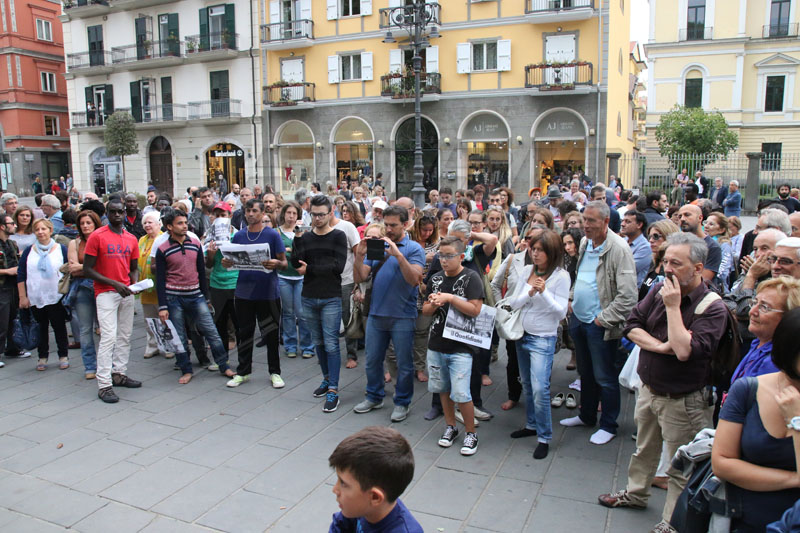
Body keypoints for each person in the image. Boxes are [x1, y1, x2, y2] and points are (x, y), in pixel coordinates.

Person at [600, 233, 727, 532]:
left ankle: (672, 522)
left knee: (682, 466)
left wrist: (672, 307)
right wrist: (658, 347)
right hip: (649, 389)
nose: (667, 268)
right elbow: (631, 325)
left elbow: (684, 350)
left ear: (698, 268)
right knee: (644, 449)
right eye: (665, 260)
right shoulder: (658, 289)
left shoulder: (712, 307)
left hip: (684, 400)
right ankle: (635, 493)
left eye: (676, 263)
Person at [712, 307, 800, 532]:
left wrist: (797, 421)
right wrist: (792, 479)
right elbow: (722, 463)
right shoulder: (748, 390)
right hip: (740, 519)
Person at [560, 200, 637, 445]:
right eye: (584, 220)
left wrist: (603, 320)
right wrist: (572, 298)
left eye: (591, 221)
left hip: (599, 324)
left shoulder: (619, 249)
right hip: (579, 320)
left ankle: (609, 425)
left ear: (605, 222)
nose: (586, 226)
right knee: (586, 374)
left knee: (605, 376)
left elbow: (628, 296)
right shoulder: (585, 242)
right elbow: (581, 276)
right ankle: (587, 415)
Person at [353, 206, 425, 423]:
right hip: (376, 313)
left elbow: (414, 279)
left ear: (405, 224)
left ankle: (402, 402)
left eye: (394, 225)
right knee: (372, 361)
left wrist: (398, 255)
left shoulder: (413, 248)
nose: (389, 229)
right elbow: (360, 277)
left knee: (404, 363)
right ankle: (374, 396)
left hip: (403, 315)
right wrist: (359, 256)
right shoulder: (378, 246)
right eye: (387, 224)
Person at [506, 230, 570, 460]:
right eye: (533, 249)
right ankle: (531, 425)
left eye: (540, 250)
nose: (535, 253)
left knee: (540, 387)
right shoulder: (526, 270)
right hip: (522, 334)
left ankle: (544, 436)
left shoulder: (561, 276)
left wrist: (543, 293)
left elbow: (561, 311)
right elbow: (513, 302)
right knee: (527, 383)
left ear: (551, 252)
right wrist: (530, 292)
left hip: (543, 337)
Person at [155, 209, 235, 384]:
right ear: (169, 227)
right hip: (173, 298)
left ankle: (224, 365)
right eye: (180, 223)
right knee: (180, 336)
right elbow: (160, 280)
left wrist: (206, 299)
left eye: (185, 223)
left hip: (196, 296)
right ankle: (186, 369)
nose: (185, 226)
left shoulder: (195, 243)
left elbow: (201, 271)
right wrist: (162, 306)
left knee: (211, 332)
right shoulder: (162, 249)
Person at [422, 235, 484, 456]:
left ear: (460, 256)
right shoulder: (436, 278)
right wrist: (434, 302)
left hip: (462, 345)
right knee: (442, 389)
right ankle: (451, 427)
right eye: (441, 255)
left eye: (449, 256)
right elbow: (425, 311)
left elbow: (475, 310)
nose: (444, 260)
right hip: (437, 342)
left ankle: (470, 432)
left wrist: (449, 298)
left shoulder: (471, 277)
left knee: (461, 393)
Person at [291, 195, 348, 412]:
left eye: (321, 214)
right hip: (309, 295)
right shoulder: (305, 238)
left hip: (330, 297)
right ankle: (326, 379)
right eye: (313, 214)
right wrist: (297, 238)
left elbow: (338, 266)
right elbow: (296, 262)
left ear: (331, 212)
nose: (317, 218)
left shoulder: (338, 236)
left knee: (332, 343)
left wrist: (311, 268)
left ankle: (333, 389)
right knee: (319, 343)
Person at [83, 199, 142, 403]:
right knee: (108, 336)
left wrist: (132, 283)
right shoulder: (97, 236)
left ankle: (119, 373)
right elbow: (88, 269)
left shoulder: (131, 238)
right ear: (107, 213)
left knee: (125, 335)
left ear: (125, 213)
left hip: (125, 292)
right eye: (113, 212)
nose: (117, 215)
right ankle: (104, 384)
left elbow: (133, 266)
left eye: (120, 212)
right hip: (105, 292)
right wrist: (114, 283)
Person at [224, 199, 287, 389]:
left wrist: (276, 263)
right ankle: (243, 372)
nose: (250, 214)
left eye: (254, 211)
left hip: (268, 292)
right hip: (244, 292)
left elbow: (284, 263)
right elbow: (231, 260)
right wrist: (226, 263)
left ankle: (274, 372)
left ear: (262, 213)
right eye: (247, 211)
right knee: (245, 333)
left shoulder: (272, 235)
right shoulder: (239, 236)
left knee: (271, 334)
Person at [328, 426, 422, 533]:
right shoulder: (359, 507)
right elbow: (339, 526)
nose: (335, 489)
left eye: (343, 483)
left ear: (375, 497)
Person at [17, 218, 69, 372]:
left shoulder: (61, 249)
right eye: (37, 229)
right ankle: (42, 357)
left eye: (43, 229)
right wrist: (22, 297)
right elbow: (21, 274)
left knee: (59, 326)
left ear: (50, 231)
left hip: (56, 295)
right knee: (40, 327)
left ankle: (63, 355)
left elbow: (68, 270)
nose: (40, 232)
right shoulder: (28, 251)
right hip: (35, 296)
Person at [276, 201, 315, 360]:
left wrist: (293, 250)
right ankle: (290, 345)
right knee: (288, 312)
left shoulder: (304, 232)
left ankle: (307, 346)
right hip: (283, 276)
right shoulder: (276, 232)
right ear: (283, 214)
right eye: (288, 213)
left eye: (294, 213)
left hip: (300, 277)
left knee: (302, 313)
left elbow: (309, 253)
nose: (291, 216)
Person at [68, 210, 103, 379]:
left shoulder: (103, 240)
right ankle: (90, 366)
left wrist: (84, 267)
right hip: (82, 288)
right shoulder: (74, 244)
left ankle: (105, 364)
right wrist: (91, 267)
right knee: (85, 328)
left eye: (89, 223)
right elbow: (73, 268)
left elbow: (105, 266)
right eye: (82, 223)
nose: (85, 226)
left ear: (96, 223)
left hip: (102, 286)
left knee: (106, 329)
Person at [409, 214, 439, 380]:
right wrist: (422, 257)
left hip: (425, 292)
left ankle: (419, 367)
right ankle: (398, 366)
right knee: (403, 332)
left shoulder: (436, 244)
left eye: (430, 230)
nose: (427, 233)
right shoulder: (407, 240)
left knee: (421, 332)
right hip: (407, 291)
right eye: (424, 230)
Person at [136, 211, 165, 360]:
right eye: (145, 223)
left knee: (165, 318)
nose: (147, 225)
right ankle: (152, 345)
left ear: (158, 224)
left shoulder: (163, 238)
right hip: (145, 287)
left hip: (160, 286)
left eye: (150, 222)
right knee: (149, 319)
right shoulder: (142, 240)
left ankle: (167, 346)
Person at [677, 204, 722, 284]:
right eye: (680, 216)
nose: (682, 219)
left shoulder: (712, 247)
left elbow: (703, 281)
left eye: (687, 215)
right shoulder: (677, 244)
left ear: (700, 218)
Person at [0, 215, 18, 368]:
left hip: (13, 287)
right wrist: (8, 271)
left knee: (13, 318)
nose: (14, 225)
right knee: (2, 321)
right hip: (2, 287)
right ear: (2, 226)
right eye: (11, 223)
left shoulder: (12, 243)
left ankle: (13, 348)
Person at [620, 210, 650, 287]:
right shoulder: (622, 242)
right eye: (623, 221)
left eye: (628, 222)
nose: (622, 224)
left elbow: (627, 269)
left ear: (639, 225)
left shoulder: (645, 248)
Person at [705, 212, 735, 288]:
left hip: (716, 288)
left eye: (711, 224)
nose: (706, 226)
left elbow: (723, 272)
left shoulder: (724, 245)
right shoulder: (705, 242)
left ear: (721, 230)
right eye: (705, 222)